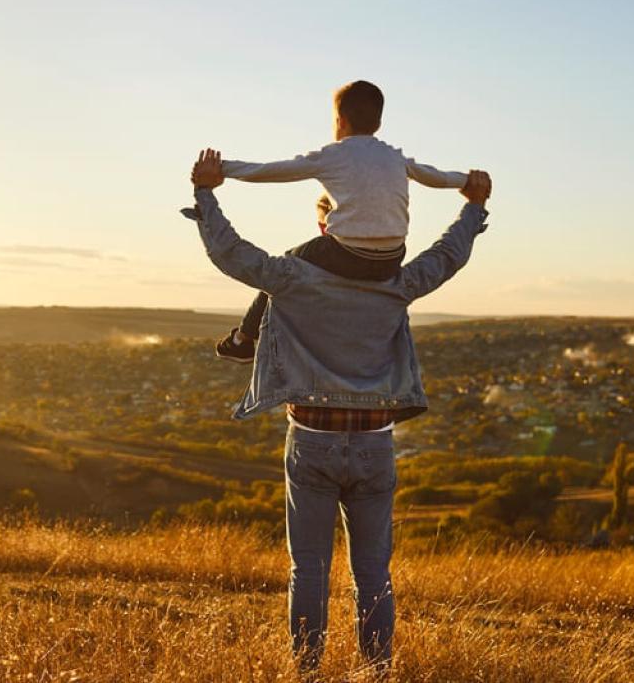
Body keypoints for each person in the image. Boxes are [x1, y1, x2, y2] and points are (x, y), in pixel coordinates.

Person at [184, 148, 492, 677]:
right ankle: (376, 673)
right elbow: (447, 256)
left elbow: (231, 253)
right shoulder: (398, 283)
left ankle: (308, 672)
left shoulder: (293, 277)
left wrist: (207, 192)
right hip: (375, 442)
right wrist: (472, 206)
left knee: (308, 570)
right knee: (373, 573)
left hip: (311, 440)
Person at [211, 80, 486, 363]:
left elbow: (271, 171)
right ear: (378, 123)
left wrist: (223, 169)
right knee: (308, 257)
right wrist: (466, 181)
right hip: (390, 260)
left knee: (284, 268)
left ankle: (243, 339)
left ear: (339, 121)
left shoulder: (333, 155)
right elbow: (435, 176)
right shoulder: (395, 157)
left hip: (347, 254)